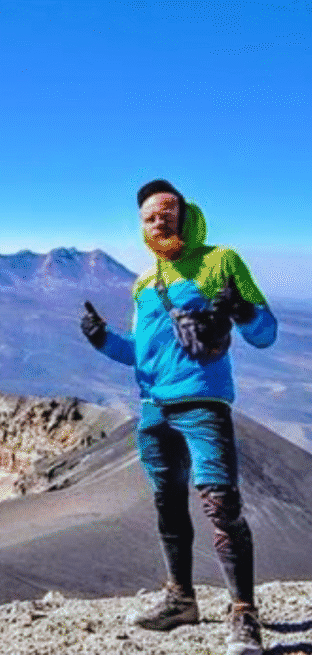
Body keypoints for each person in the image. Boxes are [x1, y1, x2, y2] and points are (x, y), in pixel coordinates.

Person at [80, 179, 277, 655]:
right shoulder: (146, 283)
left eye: (167, 214)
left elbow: (266, 333)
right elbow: (141, 354)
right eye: (149, 217)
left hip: (203, 405)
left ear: (187, 217)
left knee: (220, 504)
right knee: (168, 505)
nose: (158, 222)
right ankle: (180, 599)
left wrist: (242, 308)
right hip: (153, 409)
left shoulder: (219, 262)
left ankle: (244, 615)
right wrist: (102, 339)